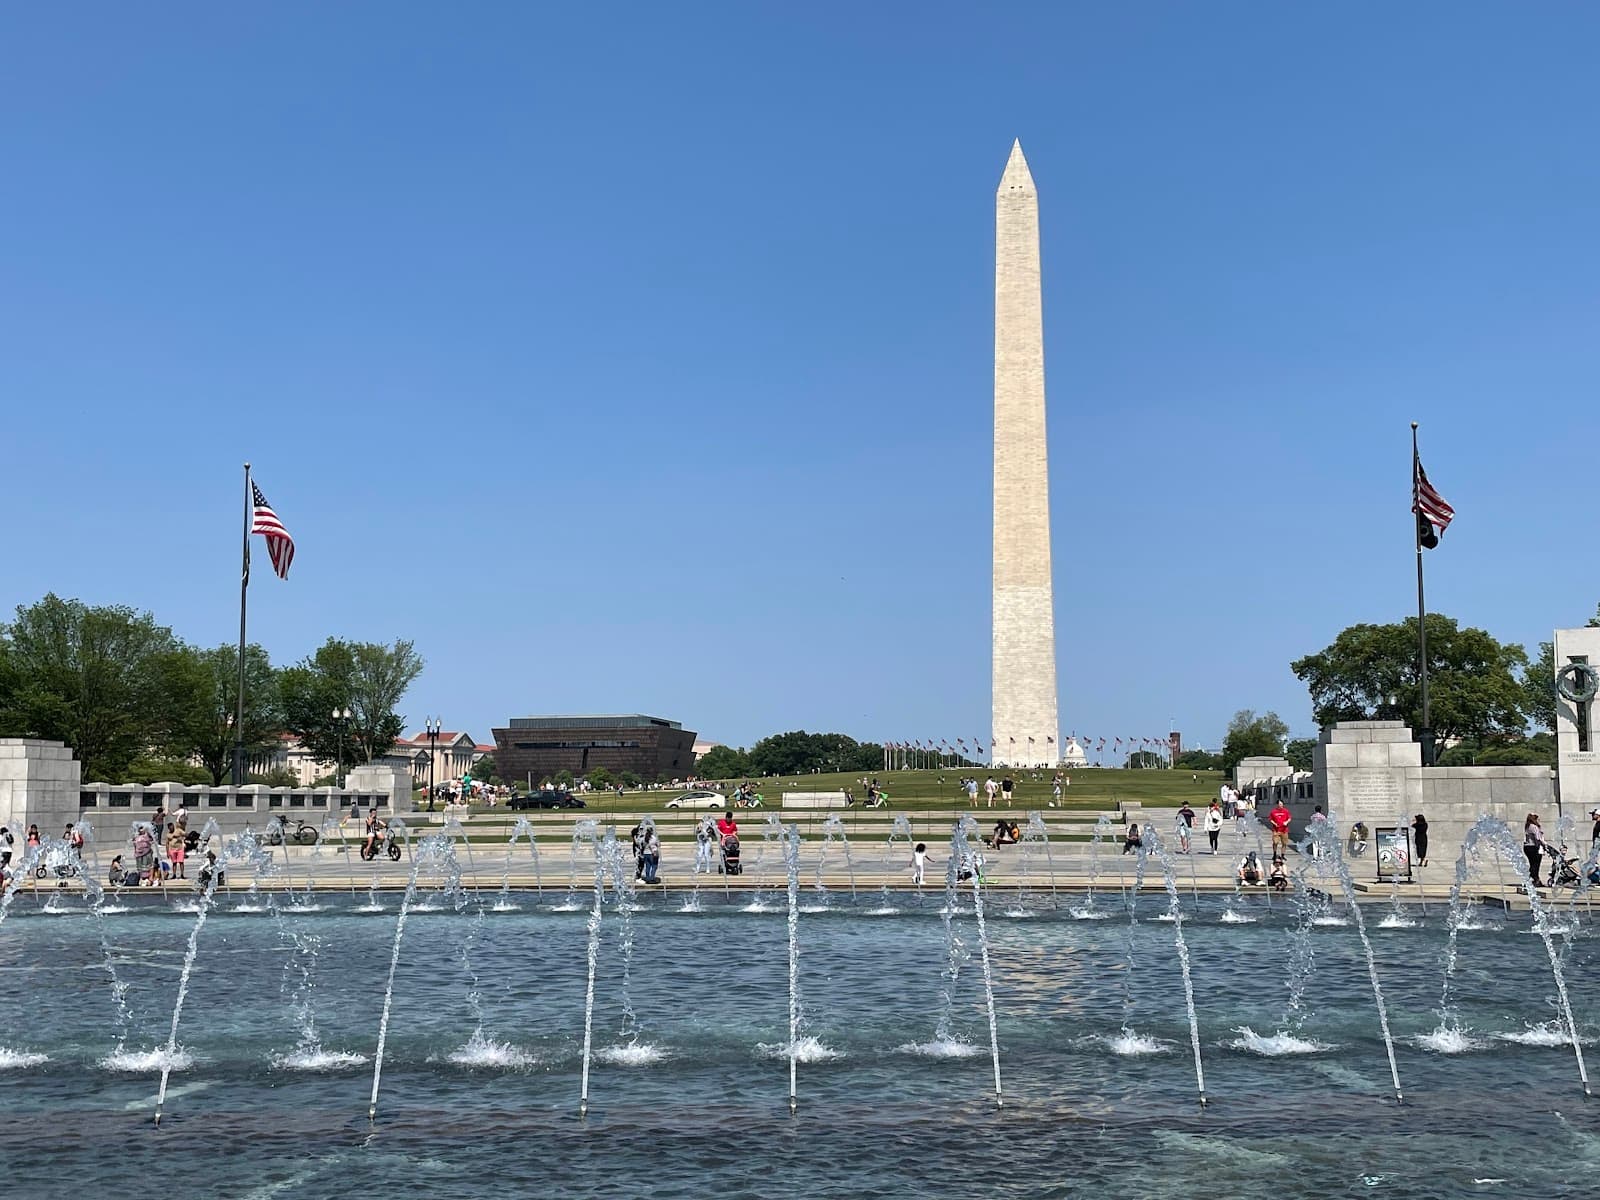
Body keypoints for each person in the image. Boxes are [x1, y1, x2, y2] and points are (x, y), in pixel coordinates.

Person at [1525, 813, 1546, 886]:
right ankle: (1534, 878)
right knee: (1536, 864)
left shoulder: (1528, 826)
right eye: (1537, 818)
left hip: (1527, 847)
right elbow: (1538, 838)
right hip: (1534, 847)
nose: (1539, 820)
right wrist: (1544, 844)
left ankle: (1533, 878)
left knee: (1532, 864)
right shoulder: (1534, 827)